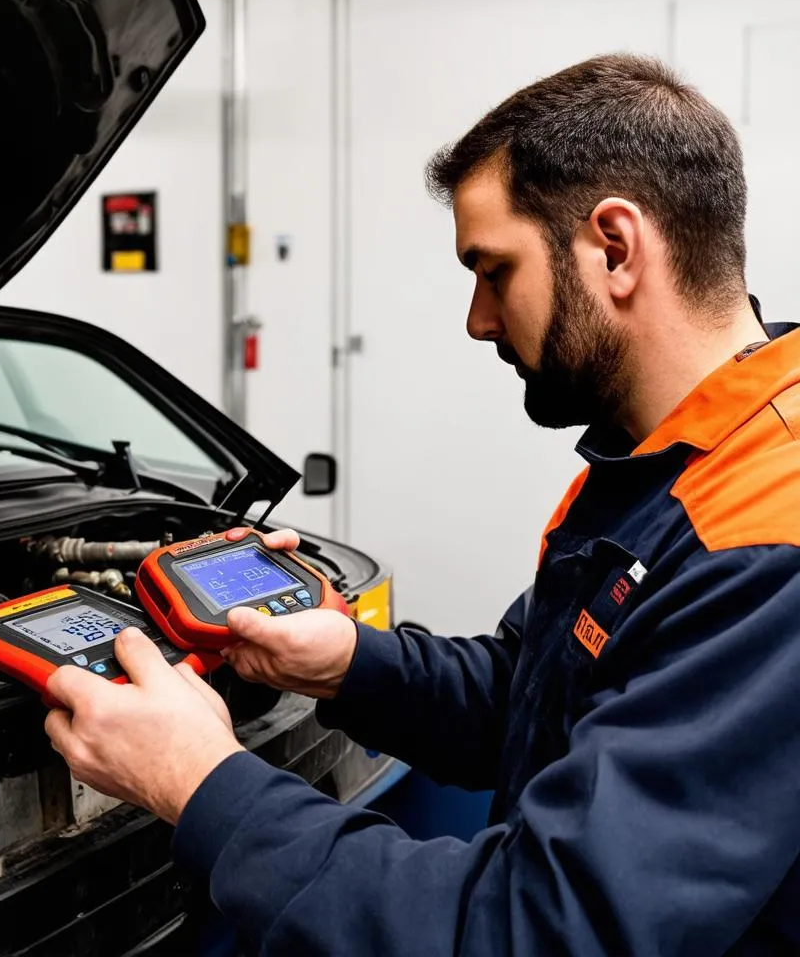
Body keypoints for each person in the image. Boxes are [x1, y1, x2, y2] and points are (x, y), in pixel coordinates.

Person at [44, 54, 800, 955]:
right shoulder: (671, 454)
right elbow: (536, 693)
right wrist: (344, 662)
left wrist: (201, 781)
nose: (480, 319)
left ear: (615, 247)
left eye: (493, 269)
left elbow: (537, 933)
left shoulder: (766, 540)